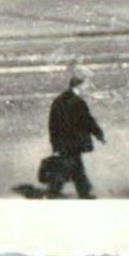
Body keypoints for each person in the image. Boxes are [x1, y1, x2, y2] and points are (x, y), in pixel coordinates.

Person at [46, 69, 105, 199]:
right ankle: (55, 191)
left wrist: (54, 142)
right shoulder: (78, 102)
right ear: (79, 85)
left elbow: (52, 124)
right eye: (86, 85)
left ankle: (83, 191)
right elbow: (87, 121)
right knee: (70, 166)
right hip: (74, 141)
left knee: (75, 166)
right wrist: (98, 133)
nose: (87, 88)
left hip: (63, 141)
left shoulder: (59, 100)